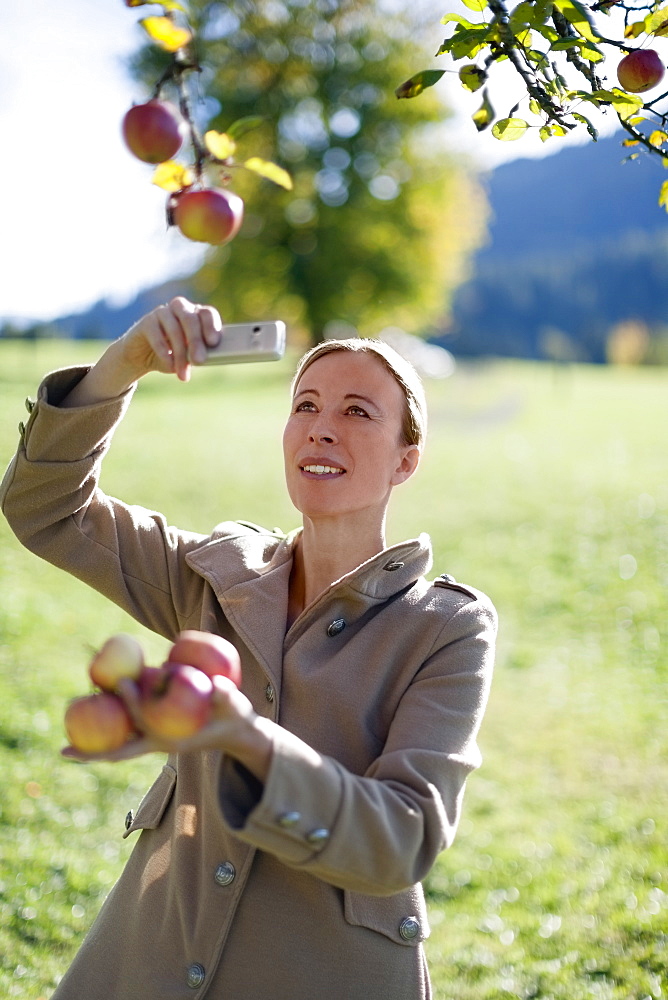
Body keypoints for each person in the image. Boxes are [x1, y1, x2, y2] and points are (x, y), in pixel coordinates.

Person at [1, 297, 497, 1000]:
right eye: (306, 406)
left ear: (406, 460)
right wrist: (125, 365)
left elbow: (401, 839)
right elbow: (45, 508)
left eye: (358, 412)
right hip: (150, 964)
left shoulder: (445, 627)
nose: (322, 430)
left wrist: (244, 737)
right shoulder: (217, 576)